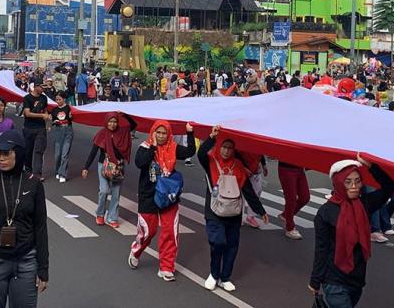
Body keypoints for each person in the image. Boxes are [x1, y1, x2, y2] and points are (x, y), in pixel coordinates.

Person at [309, 155, 394, 308]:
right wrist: (315, 280)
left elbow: (389, 187)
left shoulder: (364, 205)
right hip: (334, 281)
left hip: (356, 280)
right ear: (338, 183)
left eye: (358, 181)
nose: (354, 186)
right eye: (348, 182)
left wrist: (371, 166)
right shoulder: (326, 212)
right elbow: (321, 249)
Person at [0, 130, 49, 308]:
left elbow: (40, 226)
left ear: (19, 152)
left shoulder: (34, 184)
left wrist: (43, 268)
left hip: (26, 261)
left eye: (6, 153)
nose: (0, 158)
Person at [198, 126, 269, 292]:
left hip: (234, 212)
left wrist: (260, 211)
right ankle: (214, 274)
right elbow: (200, 154)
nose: (226, 151)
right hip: (214, 211)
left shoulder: (238, 165)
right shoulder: (211, 161)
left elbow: (248, 190)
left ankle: (225, 277)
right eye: (224, 147)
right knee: (218, 242)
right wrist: (212, 137)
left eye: (230, 148)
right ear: (219, 146)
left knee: (232, 246)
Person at [129, 120, 196, 282]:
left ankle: (166, 267)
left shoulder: (173, 147)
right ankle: (136, 251)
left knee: (170, 232)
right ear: (153, 133)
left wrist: (190, 133)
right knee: (148, 231)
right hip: (148, 196)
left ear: (168, 134)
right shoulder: (145, 147)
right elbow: (140, 162)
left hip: (168, 196)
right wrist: (153, 147)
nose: (160, 136)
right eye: (158, 132)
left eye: (164, 133)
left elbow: (190, 151)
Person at [82, 112, 138, 228]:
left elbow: (133, 125)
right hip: (103, 166)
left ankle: (112, 217)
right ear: (106, 122)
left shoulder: (122, 132)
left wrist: (124, 115)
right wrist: (86, 168)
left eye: (115, 122)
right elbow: (93, 152)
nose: (112, 124)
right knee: (104, 191)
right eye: (110, 122)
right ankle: (100, 214)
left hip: (118, 166)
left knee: (116, 193)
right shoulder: (101, 134)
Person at [22, 83, 50, 181]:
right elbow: (27, 113)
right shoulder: (27, 98)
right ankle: (28, 171)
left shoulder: (44, 98)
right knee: (28, 151)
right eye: (42, 87)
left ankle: (37, 173)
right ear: (36, 87)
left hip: (41, 128)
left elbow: (45, 110)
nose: (43, 89)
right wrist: (41, 116)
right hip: (29, 128)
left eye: (44, 87)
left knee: (39, 151)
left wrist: (47, 121)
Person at [278, 159, 311, 240]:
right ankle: (289, 228)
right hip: (286, 169)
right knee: (291, 199)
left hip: (300, 168)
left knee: (305, 198)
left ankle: (285, 215)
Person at [50, 91, 73, 182]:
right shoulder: (54, 110)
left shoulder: (69, 108)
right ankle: (57, 171)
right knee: (58, 154)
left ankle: (63, 174)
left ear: (64, 99)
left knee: (65, 154)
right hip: (58, 130)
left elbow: (73, 117)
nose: (58, 101)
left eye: (60, 99)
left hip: (68, 130)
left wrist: (71, 116)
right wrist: (53, 122)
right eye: (57, 100)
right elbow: (52, 120)